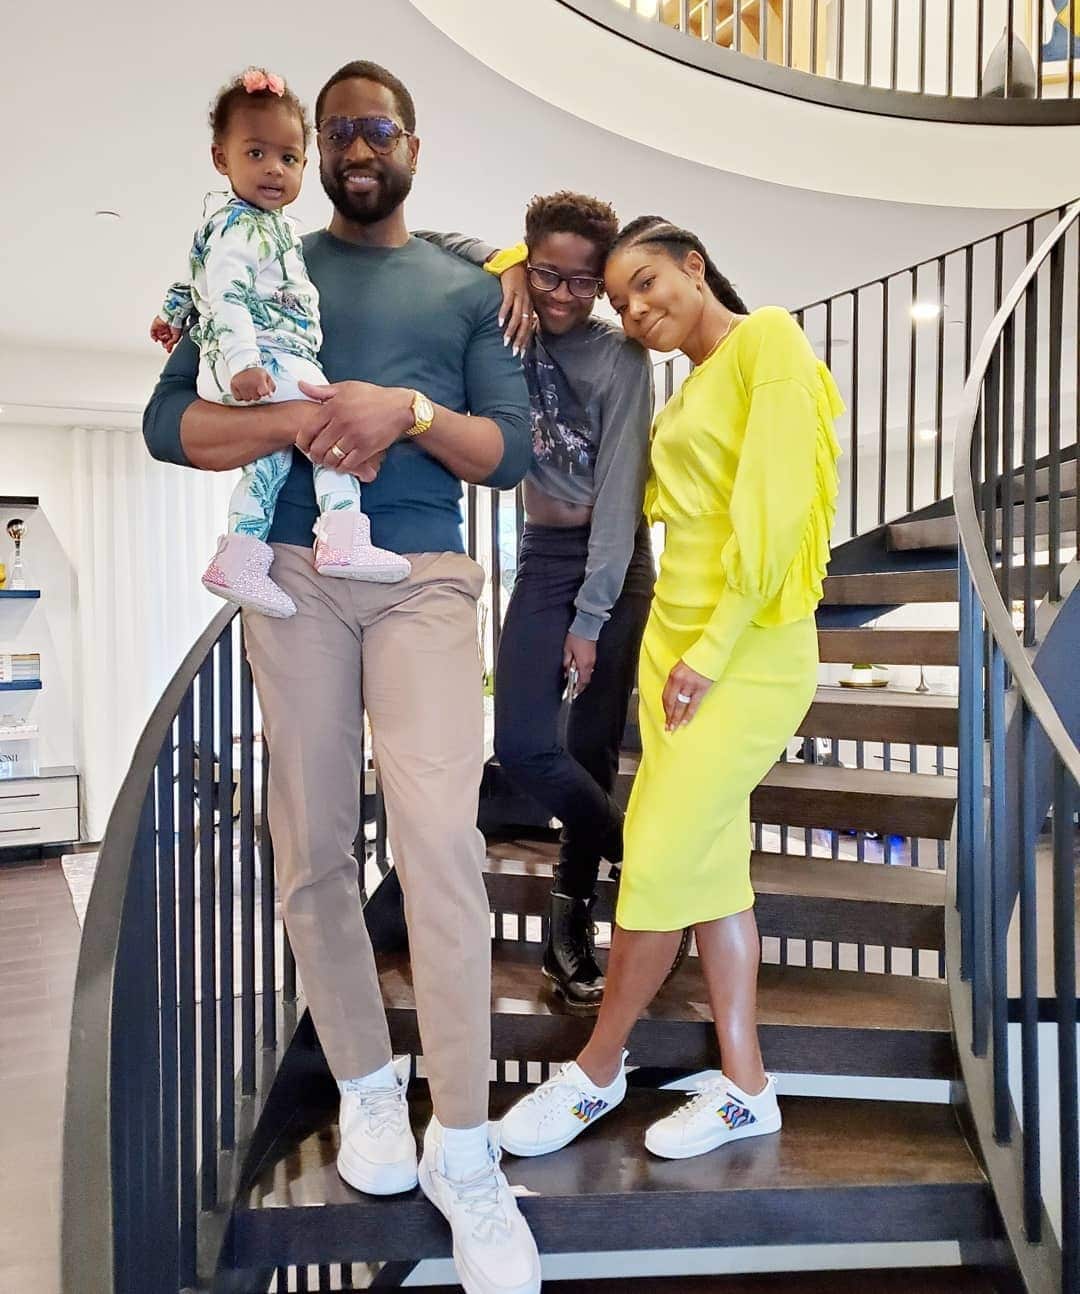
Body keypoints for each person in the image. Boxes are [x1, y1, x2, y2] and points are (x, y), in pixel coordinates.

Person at [143, 59, 542, 1294]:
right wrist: (309, 423)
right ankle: (371, 1090)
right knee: (309, 838)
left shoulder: (470, 287)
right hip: (300, 578)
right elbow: (173, 424)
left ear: (412, 145)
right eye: (339, 133)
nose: (359, 148)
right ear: (310, 152)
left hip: (423, 577)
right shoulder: (259, 254)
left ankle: (463, 1146)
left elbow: (509, 453)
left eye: (381, 129)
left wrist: (402, 410)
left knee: (438, 845)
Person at [499, 217, 842, 1164]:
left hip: (746, 652)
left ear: (695, 266)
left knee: (650, 860)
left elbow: (772, 515)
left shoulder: (764, 338)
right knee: (714, 872)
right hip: (680, 657)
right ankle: (745, 1087)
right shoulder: (686, 385)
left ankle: (597, 1068)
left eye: (648, 283)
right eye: (621, 302)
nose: (637, 310)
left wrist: (714, 645)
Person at [430, 193, 655, 1012]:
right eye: (549, 275)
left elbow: (624, 496)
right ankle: (639, 851)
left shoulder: (621, 359)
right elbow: (420, 233)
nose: (562, 297)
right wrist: (503, 266)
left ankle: (568, 940)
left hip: (614, 564)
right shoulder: (507, 313)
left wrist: (592, 619)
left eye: (582, 284)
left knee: (589, 751)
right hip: (540, 552)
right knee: (526, 747)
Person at [151, 67, 409, 618]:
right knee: (333, 417)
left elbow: (198, 279)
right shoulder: (243, 226)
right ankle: (342, 535)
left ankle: (239, 556)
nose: (274, 169)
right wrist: (244, 362)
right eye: (256, 154)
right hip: (264, 355)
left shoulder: (264, 228)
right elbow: (225, 292)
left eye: (288, 159)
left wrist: (172, 312)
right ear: (222, 158)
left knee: (267, 464)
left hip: (265, 356)